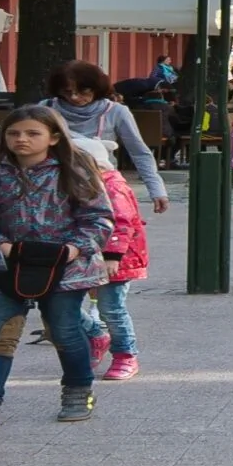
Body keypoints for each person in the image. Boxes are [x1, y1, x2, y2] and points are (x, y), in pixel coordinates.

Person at [0, 106, 114, 433]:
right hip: (5, 269)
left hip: (68, 268)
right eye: (13, 133)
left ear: (53, 137)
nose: (21, 139)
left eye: (32, 133)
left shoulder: (75, 170)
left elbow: (99, 219)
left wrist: (73, 249)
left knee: (64, 330)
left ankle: (78, 389)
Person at [42, 61, 170, 213]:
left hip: (103, 185)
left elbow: (139, 152)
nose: (74, 97)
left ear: (97, 89)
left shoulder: (116, 111)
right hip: (53, 184)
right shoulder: (46, 109)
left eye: (83, 91)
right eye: (67, 92)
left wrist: (156, 189)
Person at [91, 157, 149, 380]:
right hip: (85, 255)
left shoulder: (113, 187)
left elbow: (122, 223)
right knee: (64, 306)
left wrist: (113, 256)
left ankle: (125, 355)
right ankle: (96, 335)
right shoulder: (81, 184)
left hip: (117, 259)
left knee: (111, 308)